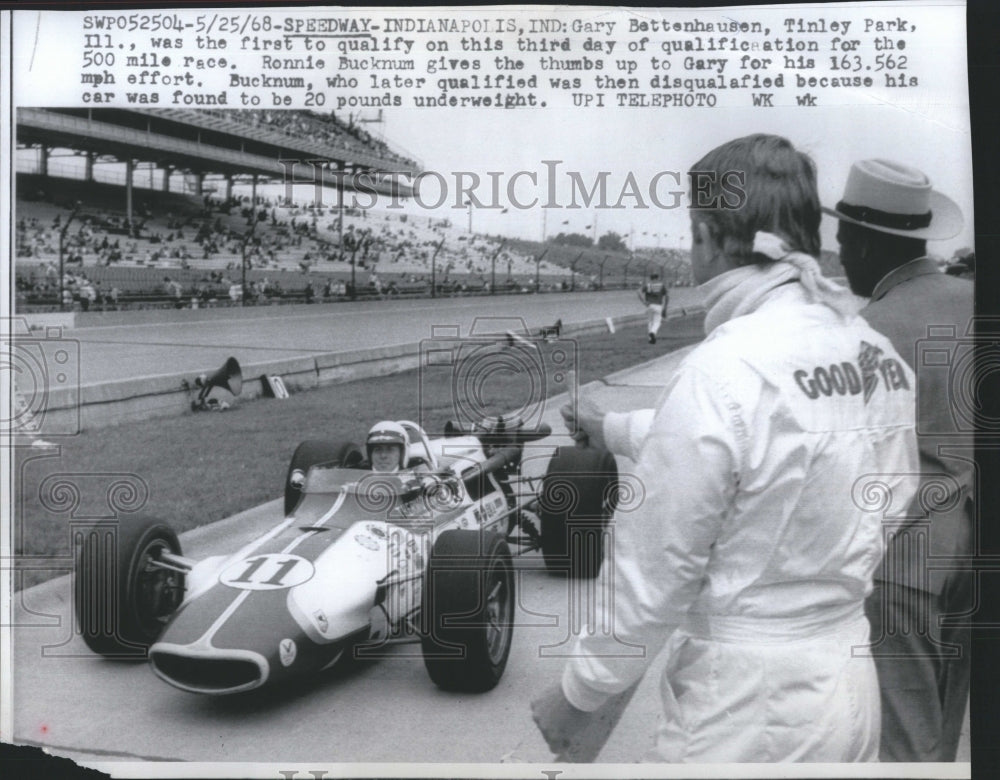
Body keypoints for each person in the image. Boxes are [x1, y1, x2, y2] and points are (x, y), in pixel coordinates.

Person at [530, 134, 920, 763]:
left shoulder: (723, 368)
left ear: (709, 236)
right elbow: (888, 497)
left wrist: (581, 690)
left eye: (693, 235)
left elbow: (654, 568)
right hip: (847, 673)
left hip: (746, 705)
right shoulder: (875, 352)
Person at [826, 159, 972, 762]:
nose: (839, 256)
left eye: (842, 242)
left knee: (902, 747)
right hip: (974, 549)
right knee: (942, 735)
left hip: (903, 562)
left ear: (865, 242)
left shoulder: (869, 331)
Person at [639, 272, 668, 343]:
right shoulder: (661, 285)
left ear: (650, 278)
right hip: (658, 305)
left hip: (649, 305)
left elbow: (638, 292)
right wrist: (665, 308)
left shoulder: (648, 285)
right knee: (657, 322)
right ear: (657, 278)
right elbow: (667, 296)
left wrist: (643, 301)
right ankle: (653, 332)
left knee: (650, 322)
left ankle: (650, 339)